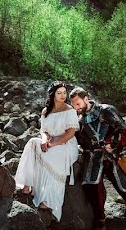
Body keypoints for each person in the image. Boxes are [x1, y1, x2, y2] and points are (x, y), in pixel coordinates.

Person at [70, 86, 126, 230]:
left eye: (78, 103)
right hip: (92, 158)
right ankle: (100, 221)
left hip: (112, 157)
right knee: (91, 186)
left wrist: (113, 144)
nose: (76, 107)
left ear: (86, 99)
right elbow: (77, 140)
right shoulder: (79, 121)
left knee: (125, 189)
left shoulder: (106, 110)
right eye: (74, 105)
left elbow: (122, 130)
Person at [14, 81, 79, 222]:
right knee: (32, 143)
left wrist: (52, 144)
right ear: (53, 95)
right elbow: (44, 131)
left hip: (66, 144)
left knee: (53, 154)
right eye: (59, 93)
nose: (62, 95)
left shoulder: (70, 111)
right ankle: (26, 185)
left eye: (64, 93)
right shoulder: (46, 111)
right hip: (50, 141)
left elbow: (70, 134)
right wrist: (44, 141)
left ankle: (47, 200)